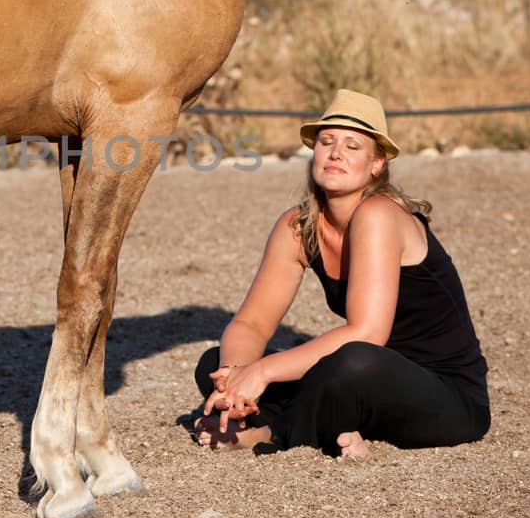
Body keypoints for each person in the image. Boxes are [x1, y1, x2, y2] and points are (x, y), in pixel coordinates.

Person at [193, 89, 490, 458]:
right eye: (326, 141)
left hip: (446, 397)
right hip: (362, 382)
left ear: (377, 164)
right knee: (214, 361)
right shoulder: (297, 226)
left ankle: (271, 431)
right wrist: (234, 377)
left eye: (353, 146)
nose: (335, 153)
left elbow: (367, 333)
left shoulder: (379, 214)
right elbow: (251, 324)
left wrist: (263, 373)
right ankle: (328, 426)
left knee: (351, 362)